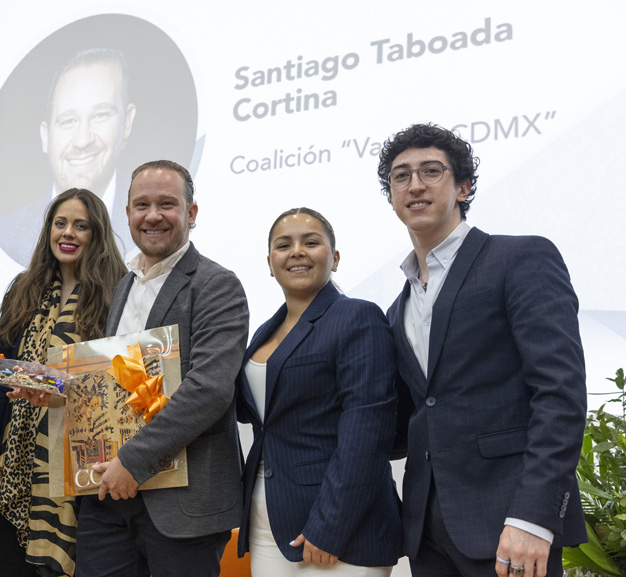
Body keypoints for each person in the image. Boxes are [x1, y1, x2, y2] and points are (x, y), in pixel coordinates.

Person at [377, 123, 587, 577]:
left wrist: (535, 514)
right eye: (400, 175)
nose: (415, 184)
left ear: (463, 186)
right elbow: (412, 416)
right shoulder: (397, 308)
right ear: (391, 196)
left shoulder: (520, 258)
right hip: (427, 531)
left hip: (510, 523)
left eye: (431, 171)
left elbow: (560, 393)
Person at [75, 160, 249, 577]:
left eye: (167, 204)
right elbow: (118, 380)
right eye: (141, 205)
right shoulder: (123, 285)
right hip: (109, 499)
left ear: (191, 213)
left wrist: (132, 462)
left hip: (184, 506)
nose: (152, 215)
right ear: (129, 214)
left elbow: (208, 390)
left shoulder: (216, 285)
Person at [236, 207, 401, 576]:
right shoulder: (264, 330)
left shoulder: (357, 317)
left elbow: (366, 433)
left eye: (311, 242)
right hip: (268, 523)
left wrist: (330, 527)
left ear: (335, 257)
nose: (297, 251)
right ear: (269, 261)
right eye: (284, 245)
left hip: (337, 529)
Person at [0, 188, 128, 577]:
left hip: (85, 460)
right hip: (19, 458)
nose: (69, 233)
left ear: (96, 234)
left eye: (81, 226)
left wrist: (62, 390)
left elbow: (121, 382)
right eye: (60, 223)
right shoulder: (24, 289)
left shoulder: (118, 291)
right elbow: (3, 375)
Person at [0, 48, 137, 263]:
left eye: (100, 115)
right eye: (68, 121)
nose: (83, 140)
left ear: (127, 122)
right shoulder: (2, 236)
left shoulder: (149, 234)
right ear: (45, 136)